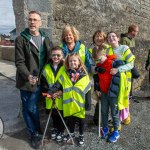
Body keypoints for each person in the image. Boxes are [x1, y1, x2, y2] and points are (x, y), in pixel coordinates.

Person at [15, 11, 52, 149]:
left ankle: (36, 129)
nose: (32, 22)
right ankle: (33, 133)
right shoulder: (21, 39)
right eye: (30, 19)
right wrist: (28, 76)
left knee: (33, 107)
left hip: (41, 80)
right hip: (26, 81)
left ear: (40, 22)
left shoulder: (45, 38)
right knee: (28, 107)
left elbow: (50, 57)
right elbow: (19, 62)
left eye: (35, 20)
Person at [48, 53, 91, 146]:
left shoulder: (85, 75)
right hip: (69, 104)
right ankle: (71, 133)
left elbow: (88, 91)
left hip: (80, 104)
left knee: (81, 121)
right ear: (68, 63)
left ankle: (81, 135)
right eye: (70, 61)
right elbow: (57, 85)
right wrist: (50, 91)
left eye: (75, 60)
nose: (72, 62)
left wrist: (88, 104)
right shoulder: (65, 74)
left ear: (79, 62)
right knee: (70, 120)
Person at [106, 31, 135, 127]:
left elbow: (131, 64)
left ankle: (126, 117)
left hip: (125, 80)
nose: (111, 38)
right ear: (108, 41)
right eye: (109, 37)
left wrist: (118, 69)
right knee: (115, 99)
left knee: (123, 98)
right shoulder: (107, 51)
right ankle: (117, 121)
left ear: (118, 38)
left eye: (113, 36)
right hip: (113, 80)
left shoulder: (124, 48)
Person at [41, 46, 65, 142]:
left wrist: (59, 92)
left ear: (62, 55)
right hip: (50, 96)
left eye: (58, 55)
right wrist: (49, 92)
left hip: (61, 95)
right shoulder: (46, 67)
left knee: (62, 114)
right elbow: (43, 82)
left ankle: (61, 130)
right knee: (53, 115)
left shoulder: (65, 66)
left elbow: (67, 82)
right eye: (54, 55)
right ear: (51, 56)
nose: (56, 57)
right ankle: (55, 128)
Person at [88, 30, 110, 126]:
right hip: (95, 76)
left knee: (106, 97)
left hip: (107, 76)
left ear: (104, 38)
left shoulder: (108, 48)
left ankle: (103, 118)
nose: (99, 38)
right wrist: (96, 68)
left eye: (101, 36)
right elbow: (88, 64)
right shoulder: (89, 50)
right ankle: (97, 118)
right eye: (97, 36)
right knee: (98, 97)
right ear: (93, 38)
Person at [120, 24, 140, 102]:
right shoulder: (125, 39)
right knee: (135, 75)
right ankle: (125, 95)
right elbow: (123, 52)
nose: (137, 33)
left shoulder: (133, 39)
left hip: (132, 62)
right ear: (132, 31)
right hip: (126, 63)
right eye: (136, 31)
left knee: (130, 79)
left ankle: (130, 95)